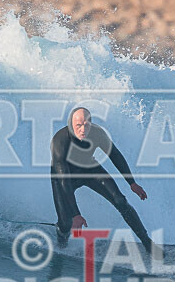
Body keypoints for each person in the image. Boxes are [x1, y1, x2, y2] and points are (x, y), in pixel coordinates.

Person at [50, 107, 153, 251]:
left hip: (90, 169)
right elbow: (64, 181)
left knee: (120, 201)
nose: (83, 129)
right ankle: (62, 243)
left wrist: (132, 183)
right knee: (66, 223)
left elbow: (115, 155)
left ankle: (147, 242)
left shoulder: (97, 133)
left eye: (86, 125)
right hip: (63, 178)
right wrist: (76, 214)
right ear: (70, 125)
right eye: (78, 125)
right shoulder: (60, 141)